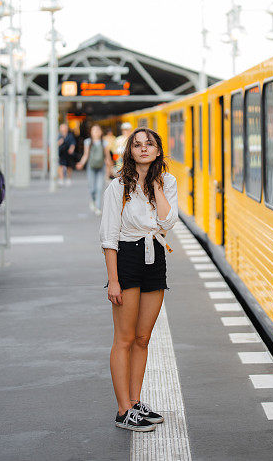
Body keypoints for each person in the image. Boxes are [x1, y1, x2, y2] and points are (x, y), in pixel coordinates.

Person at [99, 127, 178, 432]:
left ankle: (135, 401)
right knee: (124, 338)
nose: (144, 148)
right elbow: (108, 236)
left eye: (150, 144)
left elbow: (167, 221)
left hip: (155, 257)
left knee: (143, 338)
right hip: (128, 257)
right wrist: (113, 280)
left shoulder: (168, 182)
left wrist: (156, 187)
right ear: (130, 152)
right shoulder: (117, 187)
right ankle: (123, 410)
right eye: (137, 145)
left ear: (158, 151)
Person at [76, 124, 113, 214]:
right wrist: (81, 163)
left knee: (100, 187)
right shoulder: (88, 142)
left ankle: (98, 207)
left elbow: (107, 156)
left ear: (101, 132)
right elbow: (86, 155)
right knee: (92, 188)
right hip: (91, 167)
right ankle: (93, 200)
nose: (96, 132)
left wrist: (110, 167)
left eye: (97, 130)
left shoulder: (104, 143)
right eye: (94, 130)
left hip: (101, 167)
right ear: (91, 132)